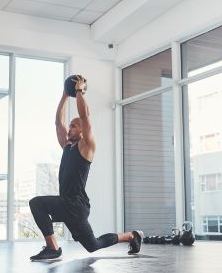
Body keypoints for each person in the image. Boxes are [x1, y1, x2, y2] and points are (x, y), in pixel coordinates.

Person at [29, 75, 143, 261]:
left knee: (37, 203)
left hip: (76, 205)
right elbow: (58, 123)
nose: (69, 128)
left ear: (83, 131)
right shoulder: (67, 146)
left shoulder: (87, 146)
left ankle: (53, 249)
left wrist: (79, 91)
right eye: (70, 126)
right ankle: (131, 236)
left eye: (73, 126)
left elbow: (84, 116)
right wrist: (65, 95)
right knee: (93, 245)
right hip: (66, 202)